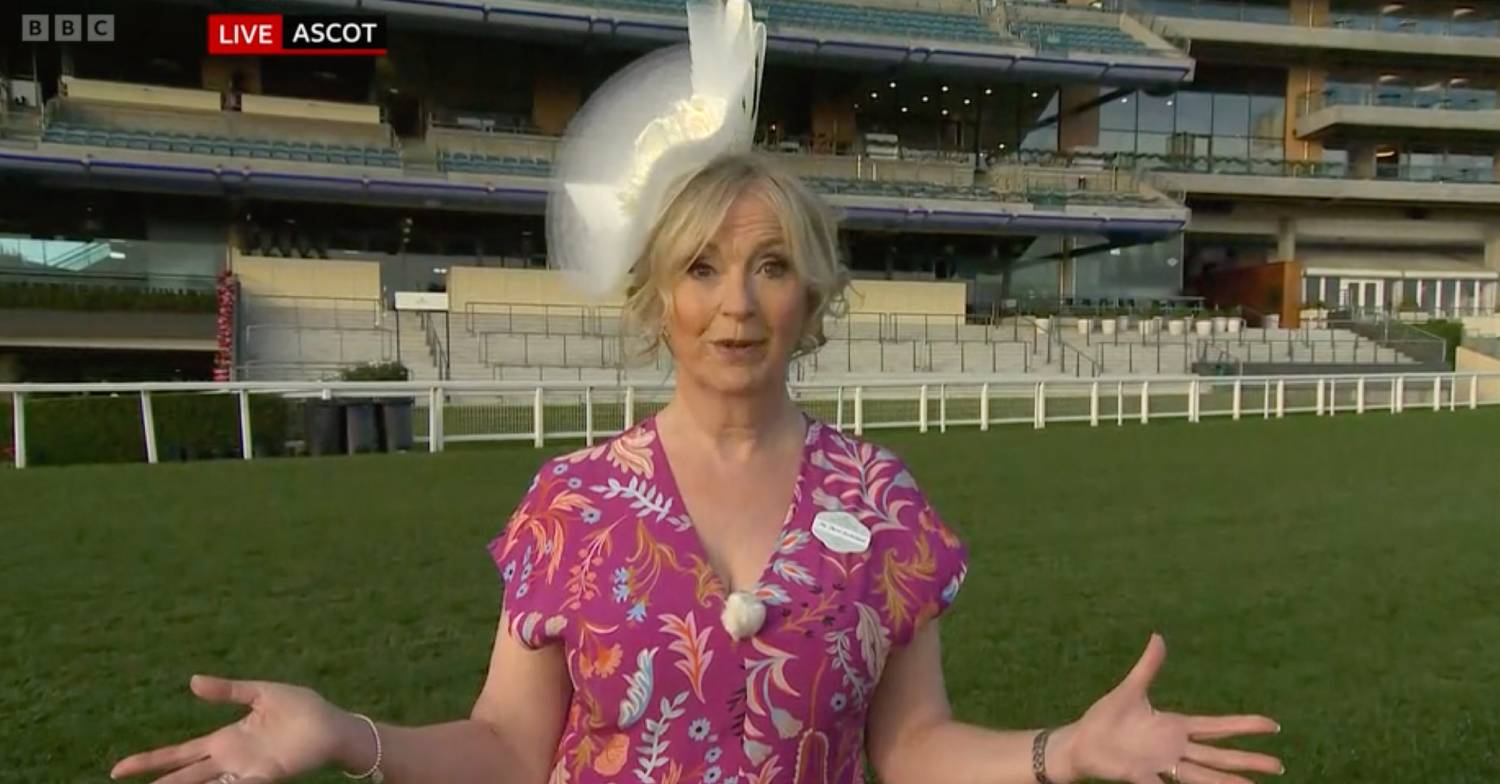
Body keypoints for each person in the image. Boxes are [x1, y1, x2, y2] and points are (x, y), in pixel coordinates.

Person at [110, 2, 1282, 782]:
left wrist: (1061, 750)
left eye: (771, 266)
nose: (736, 302)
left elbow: (913, 742)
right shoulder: (570, 501)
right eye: (704, 268)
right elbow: (510, 749)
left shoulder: (879, 498)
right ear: (658, 295)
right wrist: (346, 736)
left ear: (810, 301)